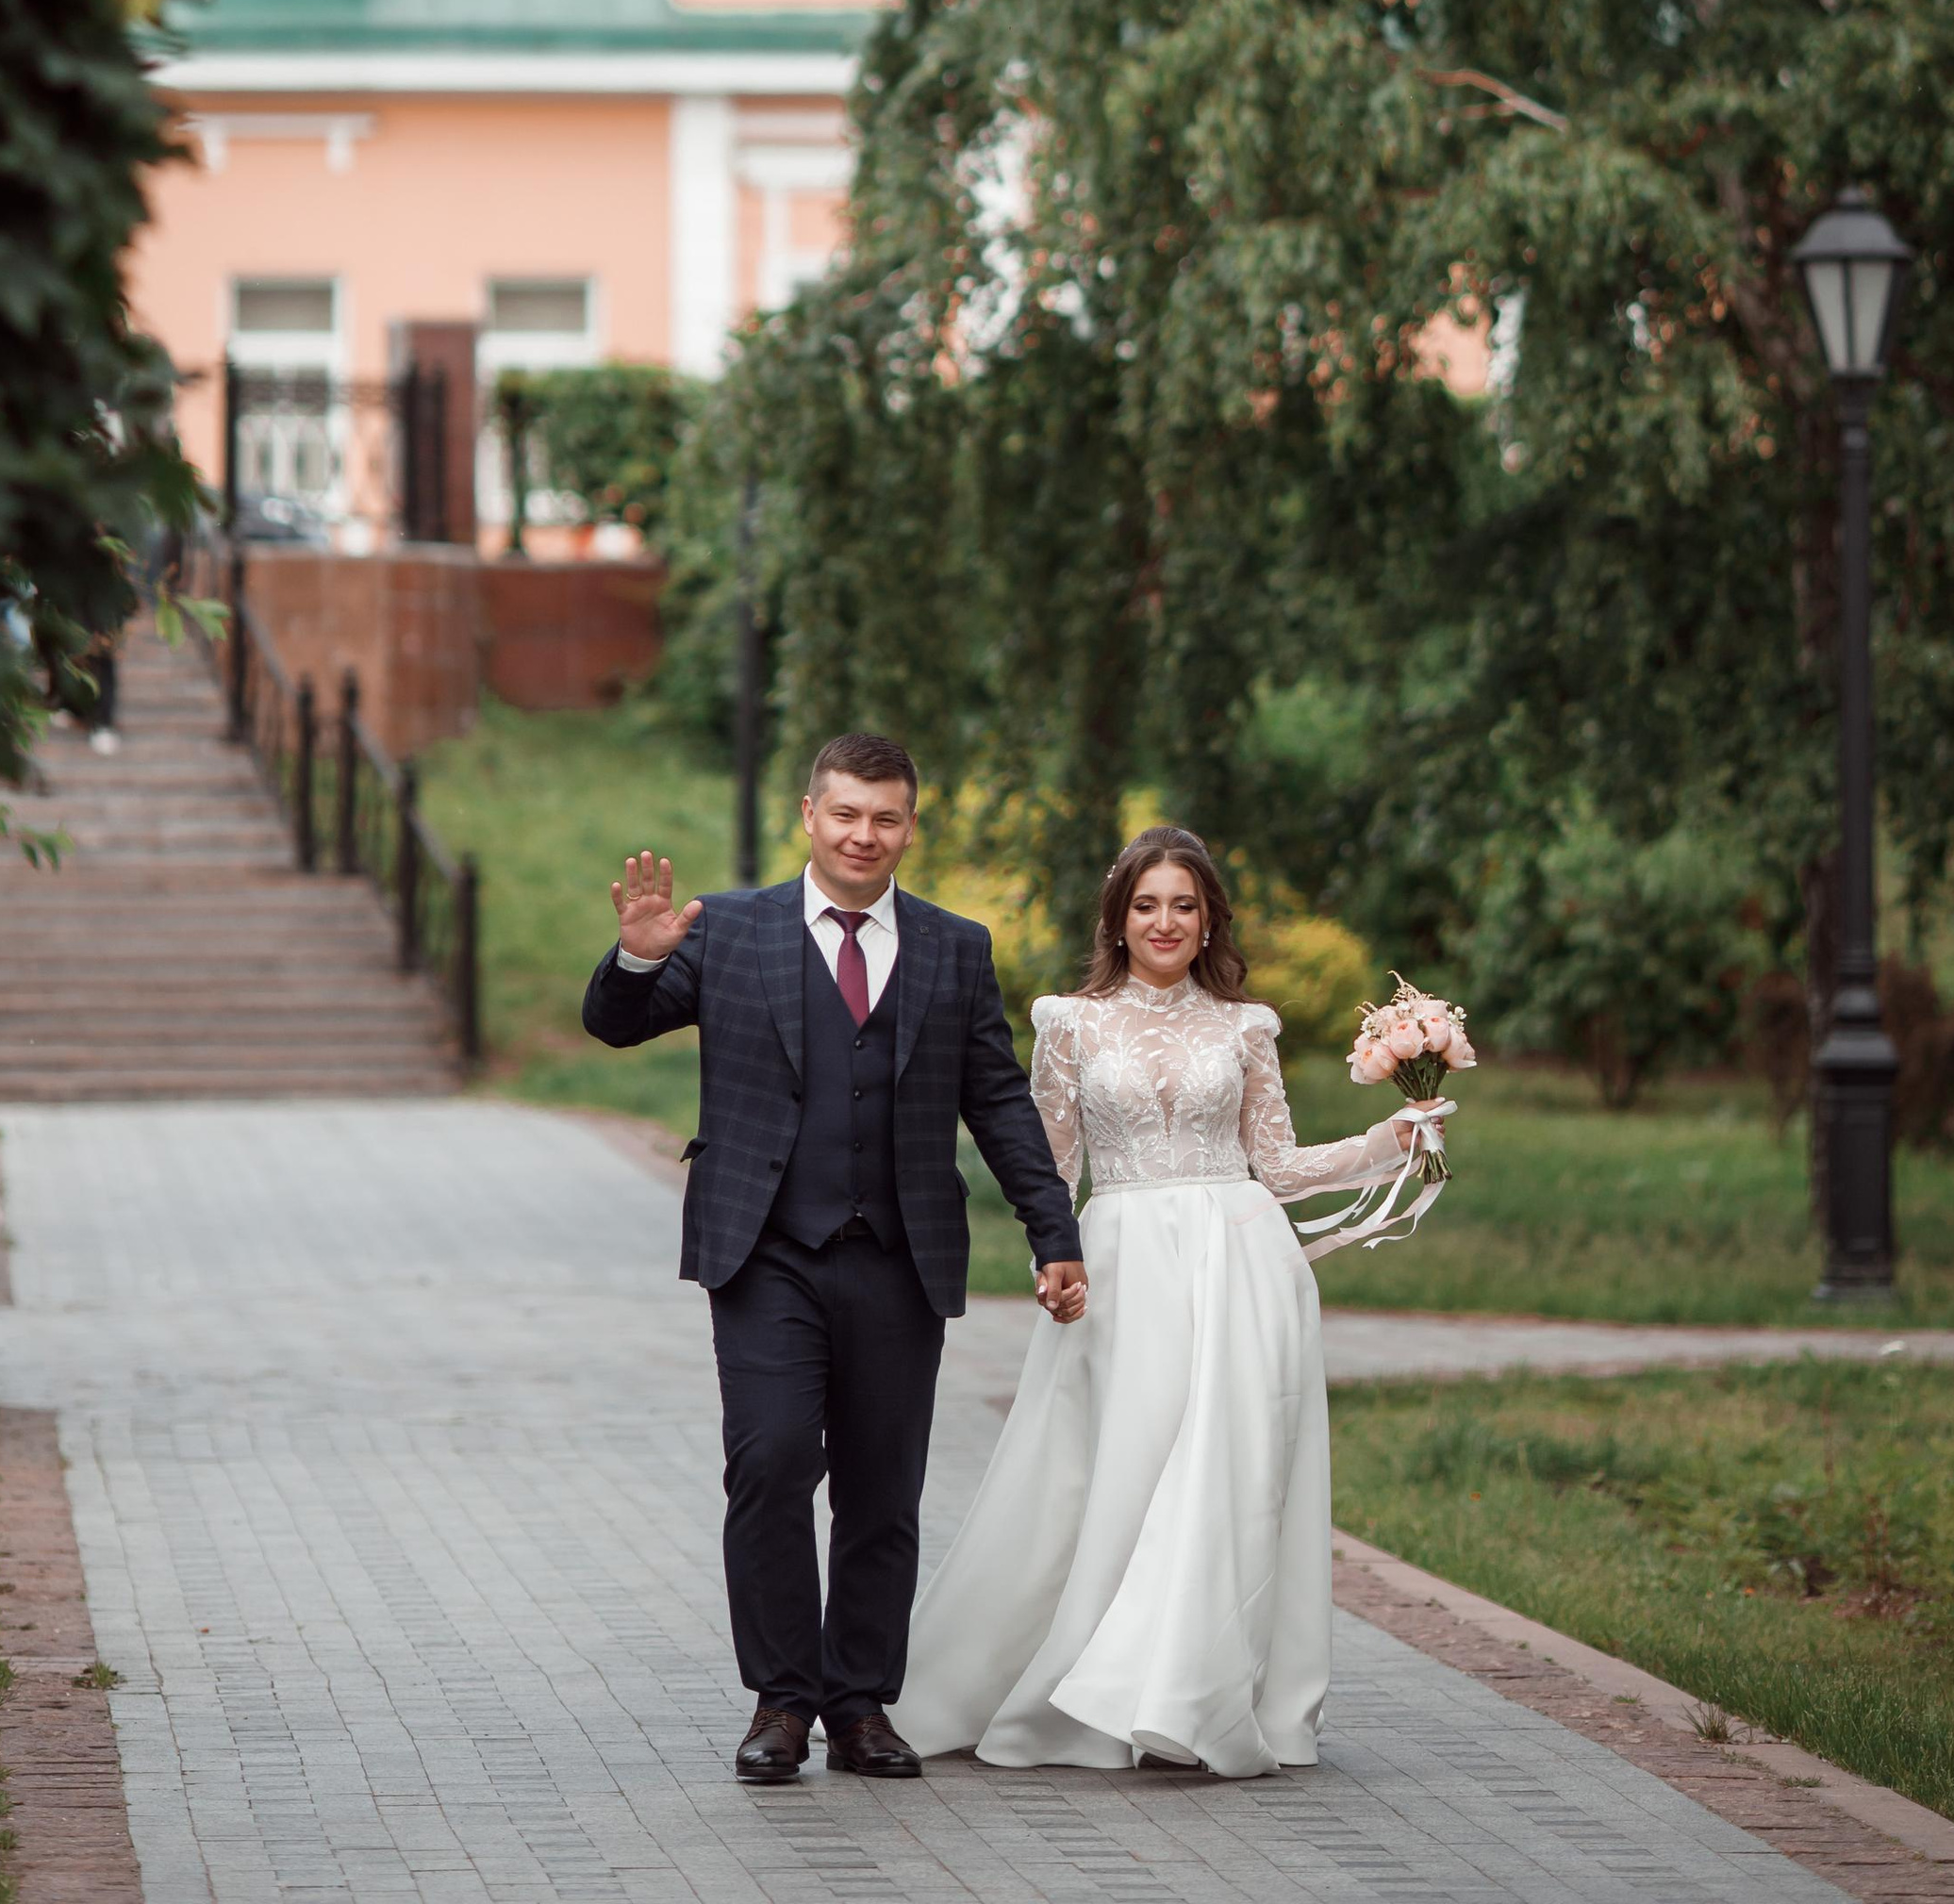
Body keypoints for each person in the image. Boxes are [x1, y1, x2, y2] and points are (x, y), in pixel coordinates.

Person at [581, 731, 1085, 1787]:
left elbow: (995, 1100)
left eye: (885, 817)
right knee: (768, 1464)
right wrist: (637, 953)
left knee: (881, 1490)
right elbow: (615, 1027)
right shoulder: (729, 931)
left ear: (909, 825)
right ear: (808, 815)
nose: (864, 834)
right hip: (764, 1251)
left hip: (898, 1257)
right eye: (846, 813)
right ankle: (781, 1699)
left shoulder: (955, 946)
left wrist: (1054, 1233)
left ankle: (860, 1706)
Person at [893, 825, 1442, 1779]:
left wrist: (1385, 1142)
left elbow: (1273, 1164)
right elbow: (1047, 1164)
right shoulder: (1069, 1023)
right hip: (1121, 1262)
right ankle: (1076, 1692)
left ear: (1208, 919)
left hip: (1240, 1263)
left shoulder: (1245, 1027)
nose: (1164, 921)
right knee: (1108, 1472)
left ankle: (1190, 1698)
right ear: (1118, 916)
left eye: (1183, 904)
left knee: (1221, 1481)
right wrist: (1046, 1256)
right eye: (1145, 903)